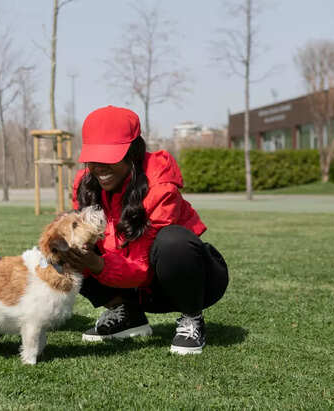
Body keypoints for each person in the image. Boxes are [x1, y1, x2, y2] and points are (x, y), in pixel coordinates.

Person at [63, 105, 229, 354]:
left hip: (180, 282)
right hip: (130, 285)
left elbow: (141, 267)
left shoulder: (160, 186)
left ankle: (192, 317)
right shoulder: (85, 183)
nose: (100, 167)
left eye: (110, 157)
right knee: (64, 240)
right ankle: (127, 314)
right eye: (94, 158)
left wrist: (96, 264)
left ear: (133, 152)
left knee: (174, 241)